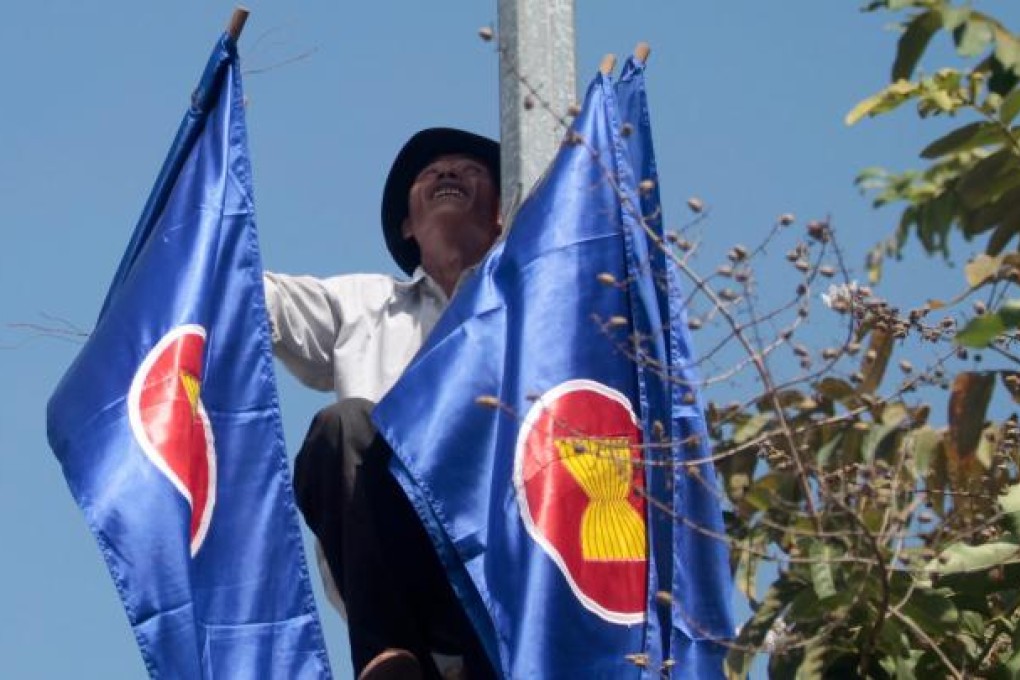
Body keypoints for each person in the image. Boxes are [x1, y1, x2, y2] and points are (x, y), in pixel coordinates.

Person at [263, 128, 502, 680]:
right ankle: (389, 656)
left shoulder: (532, 305)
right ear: (406, 226)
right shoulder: (365, 306)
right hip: (403, 568)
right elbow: (255, 297)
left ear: (500, 211)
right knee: (343, 427)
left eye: (467, 168)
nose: (446, 174)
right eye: (429, 172)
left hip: (499, 573)